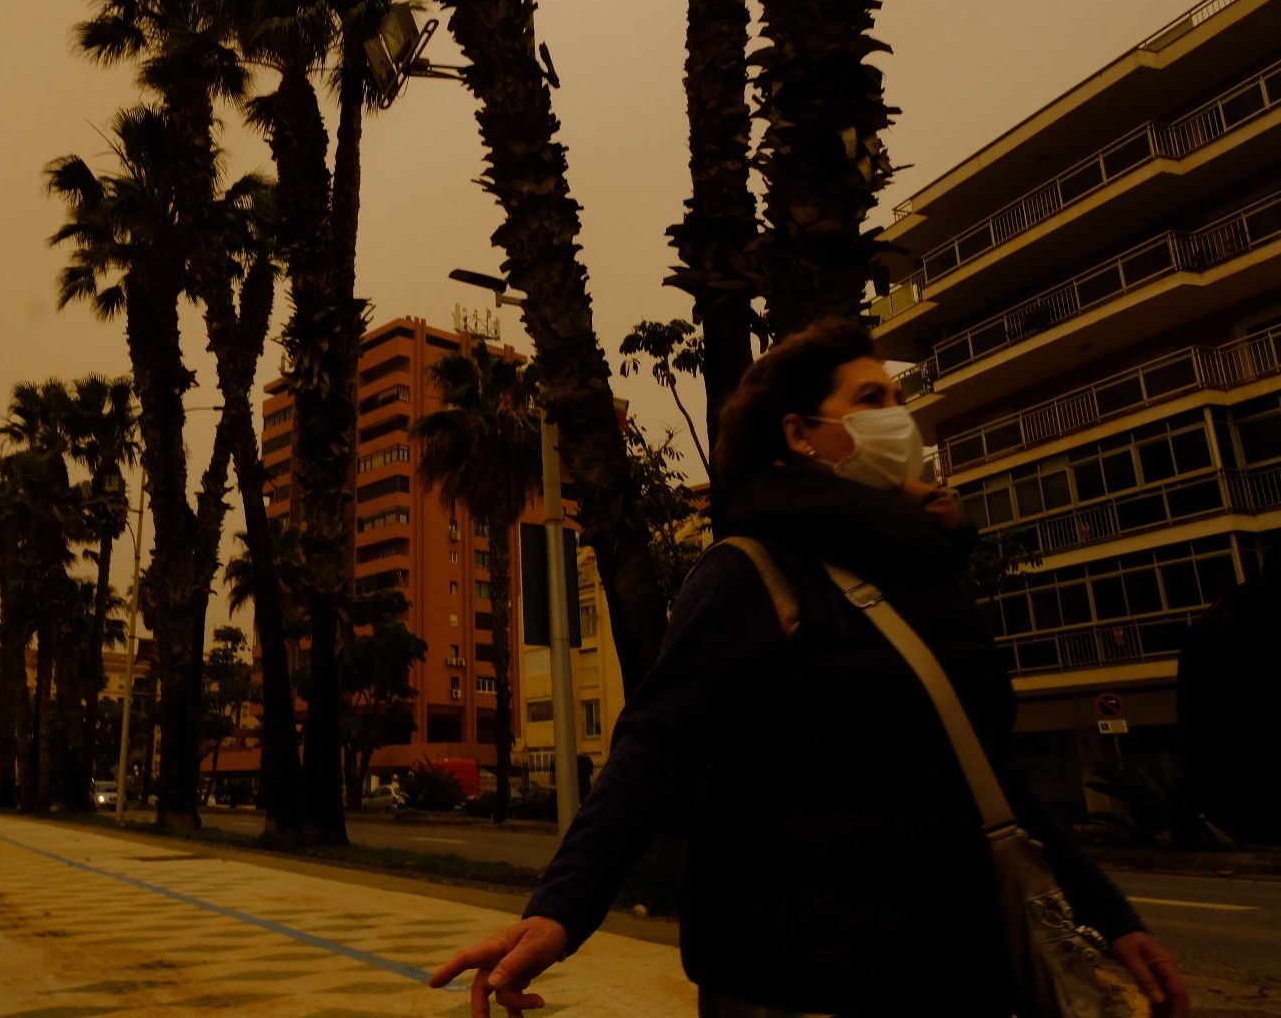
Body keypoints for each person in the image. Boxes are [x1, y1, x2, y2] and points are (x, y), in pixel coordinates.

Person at [431, 320, 1189, 1018]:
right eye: (869, 399)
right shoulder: (754, 571)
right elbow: (656, 749)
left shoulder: (927, 578)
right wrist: (557, 915)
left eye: (896, 395)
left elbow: (990, 780)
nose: (898, 415)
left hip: (960, 972)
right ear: (799, 433)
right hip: (802, 981)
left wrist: (1112, 917)